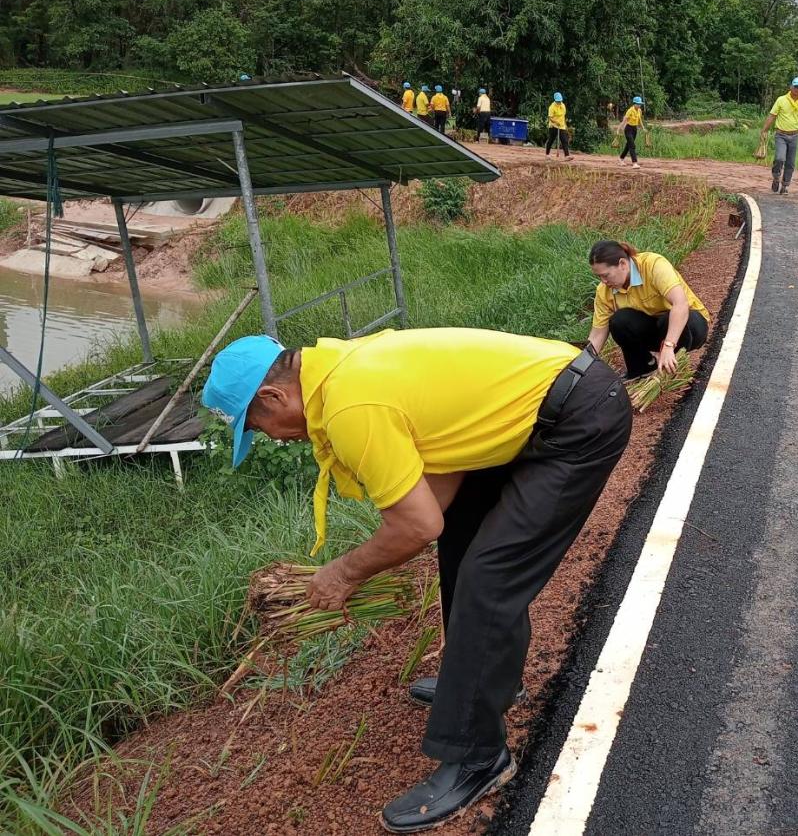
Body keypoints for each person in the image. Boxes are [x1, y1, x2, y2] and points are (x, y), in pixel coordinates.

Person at [201, 328, 631, 832]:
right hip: (541, 409)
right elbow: (443, 464)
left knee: (489, 578)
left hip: (578, 420)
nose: (271, 437)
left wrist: (343, 573)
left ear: (275, 396)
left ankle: (478, 758)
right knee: (464, 545)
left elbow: (416, 526)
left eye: (257, 425)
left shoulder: (348, 408)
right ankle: (483, 683)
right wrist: (401, 539)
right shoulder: (342, 368)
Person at [586, 240, 710, 379]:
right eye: (599, 277)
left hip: (687, 325)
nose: (603, 281)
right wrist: (579, 365)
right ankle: (642, 370)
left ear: (623, 264)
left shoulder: (653, 265)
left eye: (606, 275)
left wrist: (668, 346)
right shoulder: (604, 291)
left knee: (667, 319)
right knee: (619, 320)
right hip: (655, 331)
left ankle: (670, 362)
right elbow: (597, 335)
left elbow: (680, 304)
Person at [760, 77, 798, 195]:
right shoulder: (781, 100)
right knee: (779, 158)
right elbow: (772, 115)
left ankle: (785, 186)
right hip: (781, 134)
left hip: (794, 136)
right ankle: (776, 177)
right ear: (791, 87)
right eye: (795, 86)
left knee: (790, 163)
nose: (796, 89)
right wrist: (764, 130)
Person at [618, 96, 646, 167]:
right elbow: (624, 120)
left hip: (634, 129)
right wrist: (619, 129)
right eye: (638, 104)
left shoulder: (639, 110)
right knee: (632, 145)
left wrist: (643, 128)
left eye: (640, 104)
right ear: (634, 104)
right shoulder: (630, 110)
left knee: (628, 145)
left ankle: (621, 159)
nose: (639, 105)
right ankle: (634, 163)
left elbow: (640, 120)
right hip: (628, 129)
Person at [545, 91, 572, 159]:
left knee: (564, 140)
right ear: (555, 100)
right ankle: (547, 154)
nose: (559, 102)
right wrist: (556, 122)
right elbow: (550, 117)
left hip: (561, 126)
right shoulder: (552, 107)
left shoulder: (563, 106)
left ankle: (567, 156)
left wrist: (565, 125)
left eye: (560, 101)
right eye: (558, 101)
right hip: (553, 126)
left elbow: (563, 116)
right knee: (551, 140)